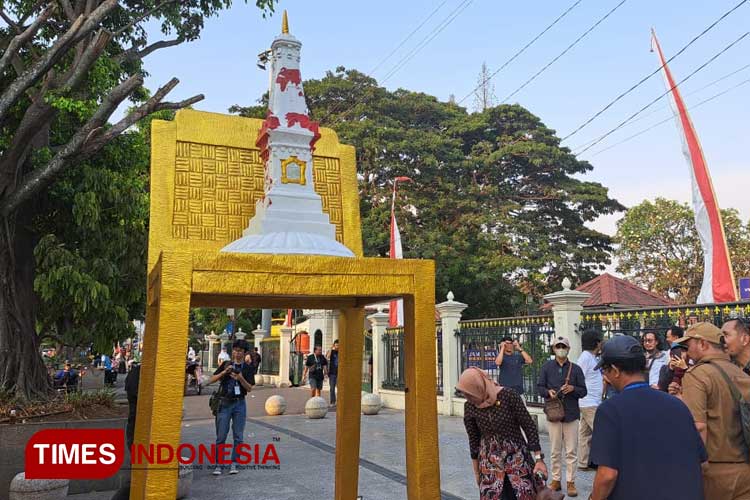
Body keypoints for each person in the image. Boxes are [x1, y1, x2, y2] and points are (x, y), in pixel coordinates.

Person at [588, 335, 706, 500]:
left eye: (604, 371)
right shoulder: (678, 405)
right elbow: (700, 461)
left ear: (614, 370)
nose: (604, 377)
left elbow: (607, 475)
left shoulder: (610, 411)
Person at [671, 322, 750, 499]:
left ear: (703, 344)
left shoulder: (698, 374)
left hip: (714, 472)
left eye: (688, 345)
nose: (686, 352)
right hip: (745, 469)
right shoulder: (741, 373)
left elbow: (698, 427)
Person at [459, 367, 547, 500]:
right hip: (490, 468)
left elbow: (529, 426)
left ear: (479, 386)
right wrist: (477, 472)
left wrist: (539, 458)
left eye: (470, 393)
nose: (468, 397)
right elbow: (473, 440)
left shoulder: (509, 396)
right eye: (465, 394)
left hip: (518, 462)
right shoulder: (470, 407)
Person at [536, 336, 586, 497]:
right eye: (558, 346)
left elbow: (583, 391)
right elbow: (539, 387)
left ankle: (571, 482)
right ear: (553, 349)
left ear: (568, 349)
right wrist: (548, 393)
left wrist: (572, 388)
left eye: (563, 346)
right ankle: (556, 480)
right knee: (555, 450)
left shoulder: (576, 369)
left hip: (571, 414)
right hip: (554, 414)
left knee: (571, 450)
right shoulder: (546, 367)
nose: (561, 349)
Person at [208, 340, 254, 475]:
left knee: (238, 436)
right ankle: (219, 465)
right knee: (221, 436)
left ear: (244, 353)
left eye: (240, 351)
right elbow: (212, 379)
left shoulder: (248, 368)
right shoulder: (226, 364)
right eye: (235, 350)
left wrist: (240, 378)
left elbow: (249, 388)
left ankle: (235, 463)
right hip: (224, 402)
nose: (237, 353)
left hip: (239, 403)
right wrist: (224, 373)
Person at [576, 329, 603, 471]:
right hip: (589, 402)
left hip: (591, 401)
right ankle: (602, 461)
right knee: (601, 432)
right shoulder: (585, 358)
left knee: (585, 434)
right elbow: (578, 376)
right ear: (596, 343)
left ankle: (583, 462)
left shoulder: (591, 357)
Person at [326, 340, 340, 406]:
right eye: (336, 345)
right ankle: (332, 402)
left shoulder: (341, 352)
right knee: (332, 388)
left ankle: (340, 401)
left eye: (338, 345)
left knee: (340, 388)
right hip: (332, 373)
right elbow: (328, 357)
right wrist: (331, 348)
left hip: (340, 373)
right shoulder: (332, 352)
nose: (337, 347)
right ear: (334, 345)